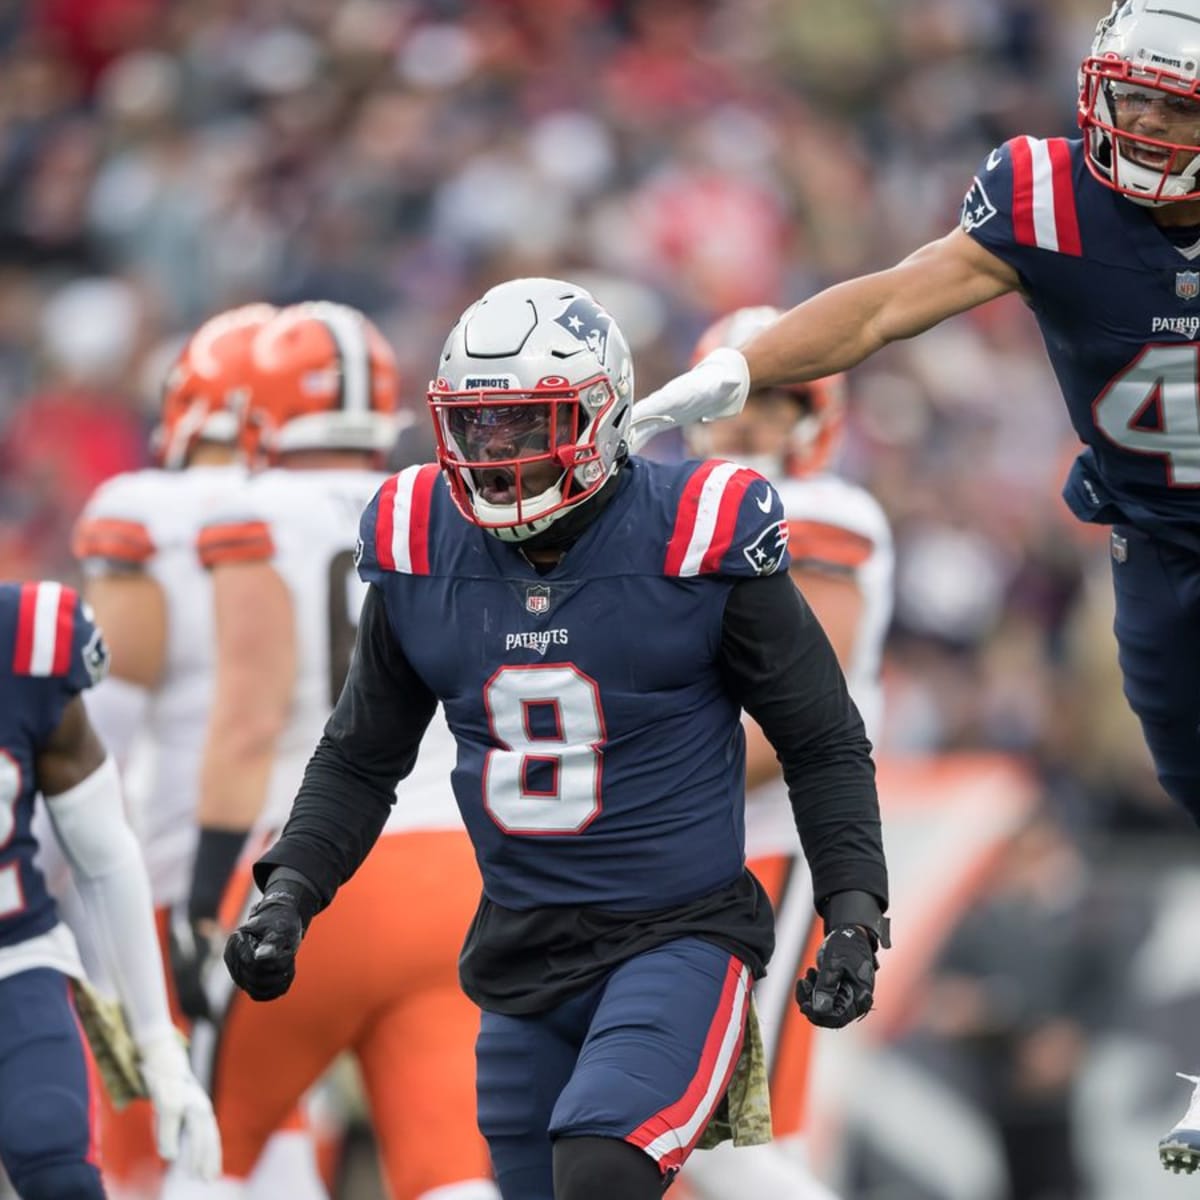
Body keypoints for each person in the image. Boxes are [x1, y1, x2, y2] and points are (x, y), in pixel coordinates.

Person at [635, 0, 1200, 1169]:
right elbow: (892, 300)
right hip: (1153, 542)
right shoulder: (1053, 199)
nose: (1138, 123)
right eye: (1127, 95)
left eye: (1170, 105)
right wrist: (740, 369)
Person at [221, 276, 891, 1200]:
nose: (493, 455)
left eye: (523, 424)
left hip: (678, 934)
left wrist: (853, 912)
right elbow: (360, 752)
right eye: (475, 425)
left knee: (601, 1169)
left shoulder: (698, 533)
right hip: (519, 953)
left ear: (599, 413)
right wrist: (291, 890)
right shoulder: (423, 542)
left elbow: (821, 738)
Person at [178, 300, 498, 1200]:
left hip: (315, 866)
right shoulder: (440, 505)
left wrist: (205, 899)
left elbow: (248, 720)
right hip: (457, 870)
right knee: (448, 1173)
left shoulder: (257, 512)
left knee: (207, 1149)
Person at [72, 304, 327, 1200]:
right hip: (329, 855)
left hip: (182, 859)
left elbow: (100, 729)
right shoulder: (346, 502)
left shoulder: (147, 511)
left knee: (156, 1137)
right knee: (265, 1114)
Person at [678, 308, 893, 1200]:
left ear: (817, 416)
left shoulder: (821, 512)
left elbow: (793, 721)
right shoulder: (674, 509)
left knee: (727, 1133)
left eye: (778, 399)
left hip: (771, 843)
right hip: (703, 848)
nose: (753, 420)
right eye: (737, 397)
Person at [0, 579, 220, 1197]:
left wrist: (156, 1039)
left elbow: (103, 852)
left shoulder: (26, 640)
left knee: (57, 1160)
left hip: (12, 959)